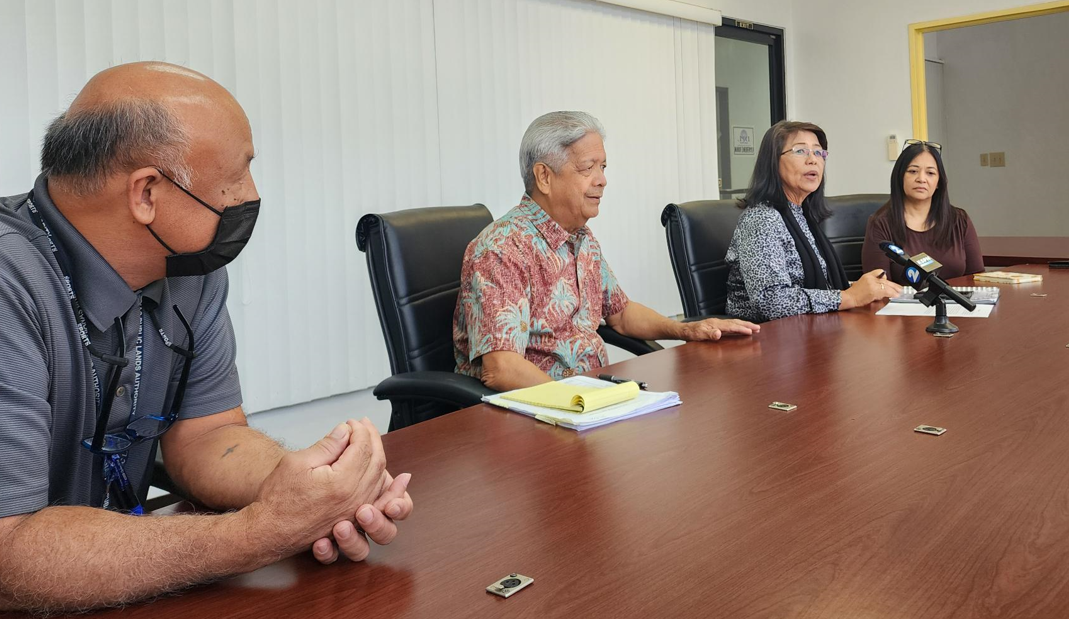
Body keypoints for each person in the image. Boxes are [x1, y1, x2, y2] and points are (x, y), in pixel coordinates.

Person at [0, 62, 413, 613]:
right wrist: (259, 534)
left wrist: (318, 491)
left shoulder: (188, 269)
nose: (251, 194)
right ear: (146, 192)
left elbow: (209, 434)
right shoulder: (10, 285)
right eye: (238, 173)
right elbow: (8, 553)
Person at [453, 111, 759, 391]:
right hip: (536, 415)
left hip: (590, 400)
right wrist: (578, 406)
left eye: (602, 167)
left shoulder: (581, 237)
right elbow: (502, 370)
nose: (602, 180)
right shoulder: (502, 250)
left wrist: (687, 330)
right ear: (544, 177)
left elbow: (622, 314)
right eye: (588, 168)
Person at [725, 120, 902, 322]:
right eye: (800, 151)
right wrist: (848, 297)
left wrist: (863, 289)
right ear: (773, 161)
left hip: (807, 328)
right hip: (765, 339)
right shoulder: (761, 219)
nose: (813, 160)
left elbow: (822, 284)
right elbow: (770, 300)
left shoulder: (802, 215)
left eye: (819, 152)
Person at [861, 140, 983, 284]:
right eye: (913, 171)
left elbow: (976, 278)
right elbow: (877, 287)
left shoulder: (959, 220)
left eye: (930, 173)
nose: (921, 179)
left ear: (939, 182)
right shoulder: (881, 224)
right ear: (900, 176)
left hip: (955, 304)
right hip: (903, 305)